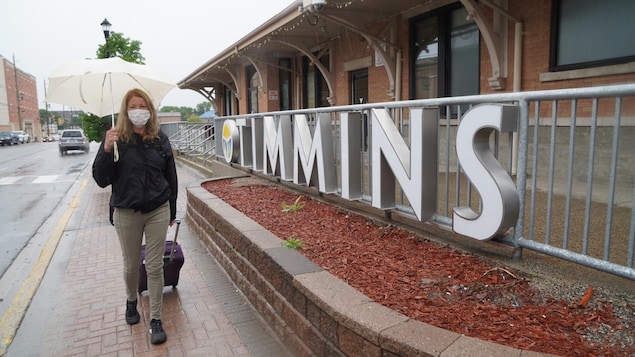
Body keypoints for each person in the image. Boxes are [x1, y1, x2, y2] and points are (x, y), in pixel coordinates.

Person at [92, 88, 178, 345]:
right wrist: (107, 149)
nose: (138, 110)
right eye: (133, 105)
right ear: (125, 110)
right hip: (126, 212)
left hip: (157, 210)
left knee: (154, 265)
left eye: (143, 105)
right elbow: (100, 179)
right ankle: (131, 300)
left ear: (150, 110)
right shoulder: (116, 139)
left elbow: (170, 176)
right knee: (131, 265)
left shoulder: (160, 138)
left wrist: (171, 209)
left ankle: (155, 319)